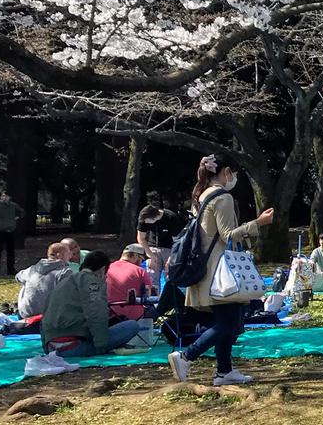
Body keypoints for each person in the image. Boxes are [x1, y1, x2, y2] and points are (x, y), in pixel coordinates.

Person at [168, 154, 275, 387]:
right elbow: (229, 236)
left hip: (207, 269)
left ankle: (224, 371)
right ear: (226, 172)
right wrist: (258, 223)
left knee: (230, 321)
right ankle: (187, 357)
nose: (235, 178)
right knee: (229, 323)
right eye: (234, 174)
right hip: (221, 270)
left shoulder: (201, 195)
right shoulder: (223, 198)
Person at [42, 250, 142, 357]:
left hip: (52, 347)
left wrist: (46, 348)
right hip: (73, 346)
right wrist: (101, 346)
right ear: (103, 269)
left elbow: (44, 316)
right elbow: (97, 314)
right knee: (132, 326)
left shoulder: (64, 282)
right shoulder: (93, 282)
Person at [16, 242, 74, 319]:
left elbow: (17, 277)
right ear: (59, 255)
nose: (70, 256)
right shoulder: (65, 272)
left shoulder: (31, 270)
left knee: (25, 283)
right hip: (50, 317)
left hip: (26, 314)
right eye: (68, 253)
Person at [106, 244, 153, 322]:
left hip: (110, 315)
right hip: (134, 317)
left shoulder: (108, 268)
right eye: (141, 260)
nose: (141, 263)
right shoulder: (139, 271)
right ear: (135, 256)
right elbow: (149, 295)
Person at [136, 205, 184, 278]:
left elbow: (177, 241)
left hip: (169, 248)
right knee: (151, 276)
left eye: (147, 221)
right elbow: (141, 238)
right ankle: (153, 289)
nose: (145, 222)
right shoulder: (144, 218)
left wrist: (171, 259)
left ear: (154, 218)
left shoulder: (171, 217)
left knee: (170, 276)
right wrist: (150, 254)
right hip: (152, 247)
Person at [0, 189, 25, 276]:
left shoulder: (13, 205)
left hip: (10, 231)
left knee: (10, 251)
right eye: (3, 196)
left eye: (5, 196)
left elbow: (22, 212)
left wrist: (16, 218)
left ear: (9, 197)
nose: (4, 198)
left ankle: (10, 269)